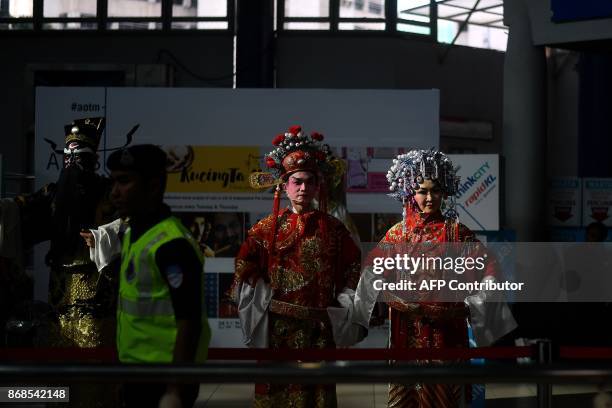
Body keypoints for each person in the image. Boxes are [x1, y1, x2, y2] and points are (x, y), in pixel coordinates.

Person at [354, 149, 515, 408]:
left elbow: (490, 268)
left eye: (435, 190)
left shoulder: (457, 233)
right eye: (422, 191)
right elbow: (372, 270)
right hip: (407, 334)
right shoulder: (398, 234)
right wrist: (379, 300)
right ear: (410, 192)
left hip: (447, 334)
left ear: (445, 192)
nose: (429, 198)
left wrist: (473, 302)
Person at [231, 125, 363, 408]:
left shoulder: (334, 228)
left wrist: (345, 300)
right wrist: (258, 286)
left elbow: (353, 264)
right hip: (279, 328)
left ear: (318, 186)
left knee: (317, 396)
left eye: (309, 182)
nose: (303, 188)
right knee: (278, 393)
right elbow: (244, 262)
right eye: (297, 182)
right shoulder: (267, 228)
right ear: (284, 185)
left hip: (319, 328)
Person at [106, 144, 211, 408]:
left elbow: (190, 321)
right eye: (114, 181)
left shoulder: (172, 244)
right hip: (135, 374)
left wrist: (175, 390)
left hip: (164, 378)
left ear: (153, 186)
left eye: (124, 181)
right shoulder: (133, 233)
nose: (114, 192)